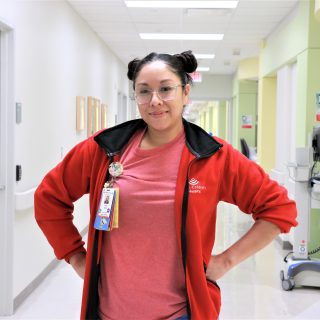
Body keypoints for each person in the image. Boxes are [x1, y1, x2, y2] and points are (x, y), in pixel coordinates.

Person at [34, 50, 298, 320]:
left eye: (165, 89)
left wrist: (225, 261)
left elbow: (279, 209)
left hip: (182, 312)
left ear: (185, 92)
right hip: (109, 311)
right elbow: (49, 197)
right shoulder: (105, 148)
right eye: (144, 91)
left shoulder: (212, 155)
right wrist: (75, 256)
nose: (155, 101)